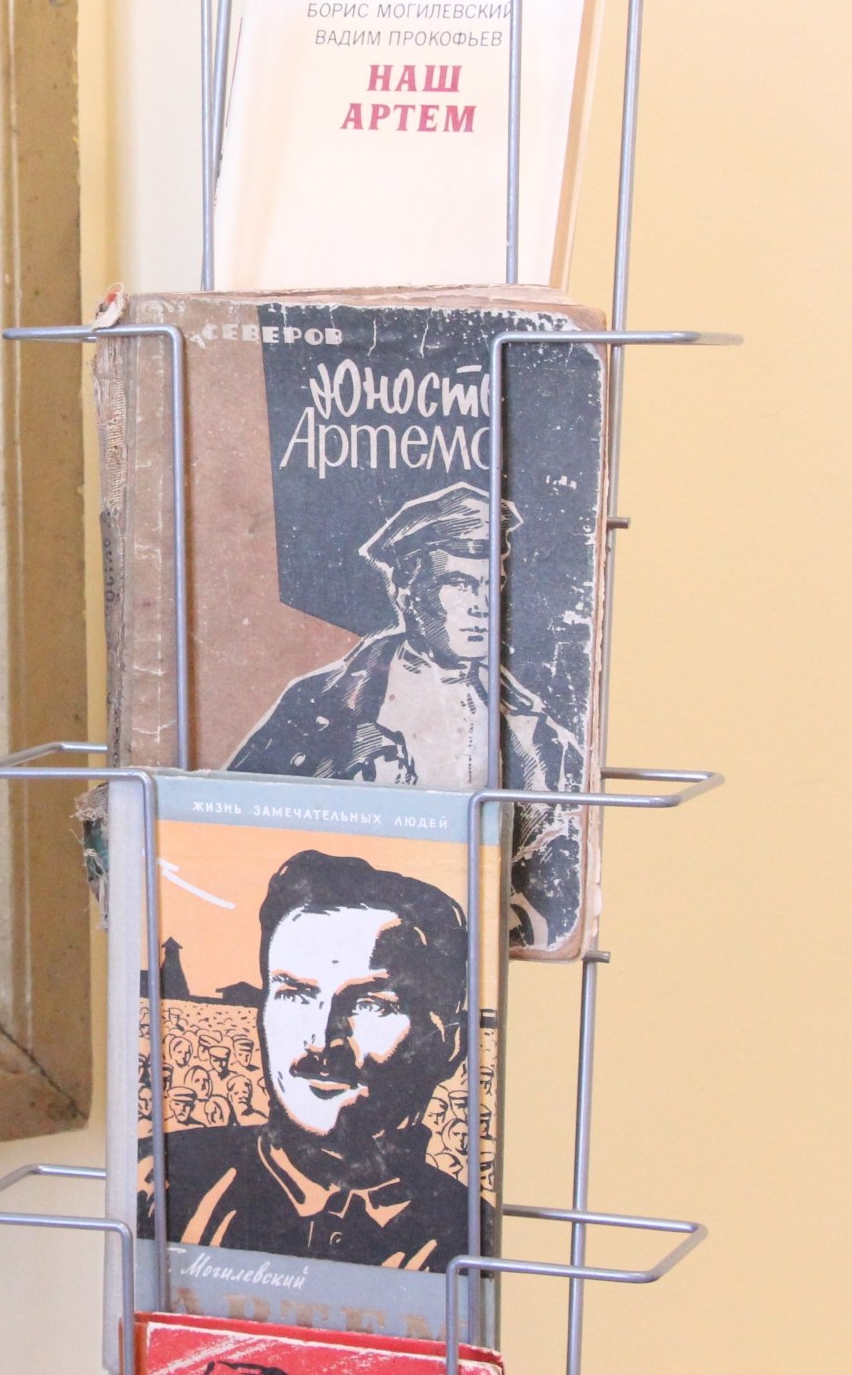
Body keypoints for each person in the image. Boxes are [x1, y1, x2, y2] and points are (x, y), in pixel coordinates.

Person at [143, 852, 476, 1269]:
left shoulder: (469, 1233)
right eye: (295, 995)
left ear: (450, 1044)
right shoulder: (155, 1178)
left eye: (370, 1003)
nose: (320, 1041)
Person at [229, 484, 581, 793]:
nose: (484, 607)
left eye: (493, 584)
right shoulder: (319, 704)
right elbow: (241, 818)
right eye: (460, 585)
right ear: (406, 591)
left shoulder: (532, 725)